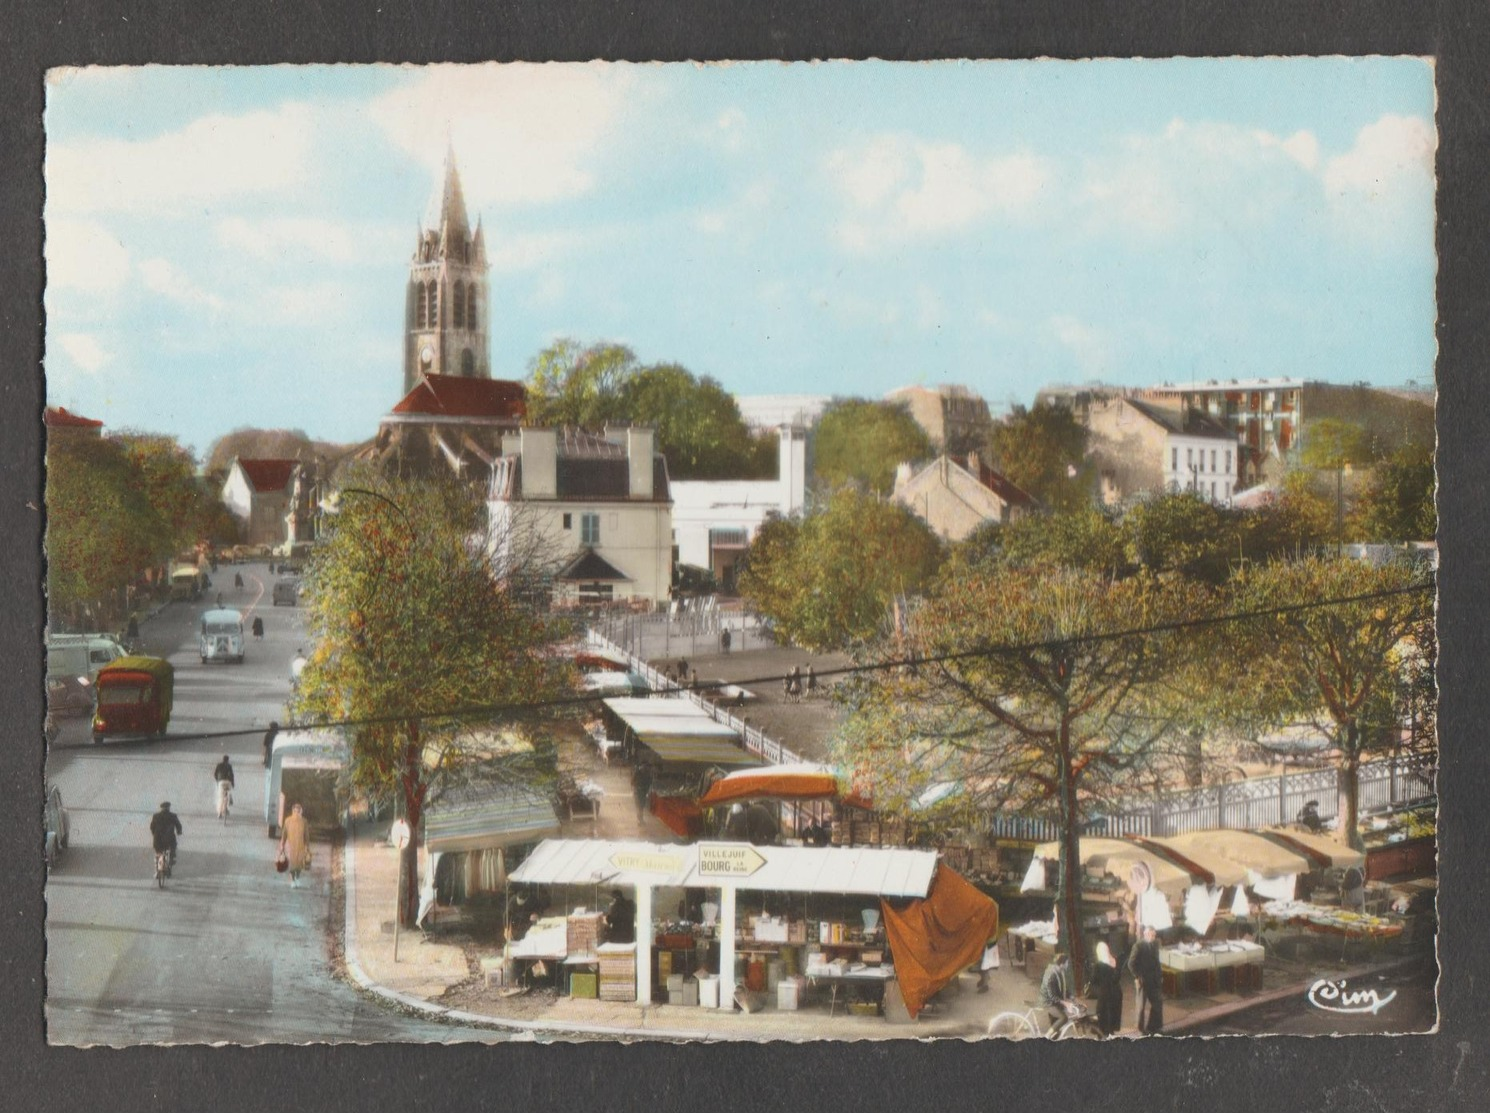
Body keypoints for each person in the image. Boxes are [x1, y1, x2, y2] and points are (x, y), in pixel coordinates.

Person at [1128, 925, 1164, 1034]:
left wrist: (1160, 975)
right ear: (1145, 934)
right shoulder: (1138, 946)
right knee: (1141, 1007)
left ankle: (1154, 1026)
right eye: (1151, 935)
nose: (1152, 937)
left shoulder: (1155, 945)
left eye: (1154, 935)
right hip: (1143, 980)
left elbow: (1157, 962)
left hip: (1154, 979)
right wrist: (1137, 976)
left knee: (1157, 1003)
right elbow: (1131, 964)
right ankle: (1140, 1029)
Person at [1089, 940, 1124, 1037]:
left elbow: (1094, 980)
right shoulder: (1106, 963)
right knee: (1107, 1015)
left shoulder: (1102, 964)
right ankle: (1107, 1034)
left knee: (1109, 1015)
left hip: (1110, 993)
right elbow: (1116, 978)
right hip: (1109, 993)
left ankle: (1107, 1034)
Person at [1038, 952, 1074, 1035]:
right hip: (1048, 1003)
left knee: (1056, 1033)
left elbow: (1063, 988)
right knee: (1064, 1018)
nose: (1068, 965)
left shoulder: (1059, 972)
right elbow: (1052, 996)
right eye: (1067, 963)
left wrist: (1072, 997)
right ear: (1062, 964)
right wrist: (1065, 1003)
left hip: (1055, 1003)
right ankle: (1046, 1037)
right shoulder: (1051, 974)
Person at [278, 802, 312, 888]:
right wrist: (282, 845)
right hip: (291, 846)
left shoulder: (304, 821)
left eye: (298, 811)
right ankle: (293, 880)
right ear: (293, 811)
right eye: (295, 811)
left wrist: (307, 846)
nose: (297, 813)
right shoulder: (288, 821)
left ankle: (297, 878)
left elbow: (306, 835)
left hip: (300, 846)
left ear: (301, 811)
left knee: (299, 864)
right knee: (292, 864)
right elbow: (284, 834)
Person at [149, 801, 182, 876]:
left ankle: (157, 871)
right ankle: (171, 859)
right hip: (169, 839)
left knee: (158, 854)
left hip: (158, 840)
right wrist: (179, 832)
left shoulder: (156, 816)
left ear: (161, 808)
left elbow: (152, 827)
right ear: (169, 808)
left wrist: (154, 833)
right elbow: (178, 825)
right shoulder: (173, 816)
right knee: (172, 848)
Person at [213, 754, 235, 821]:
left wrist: (217, 781)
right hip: (228, 782)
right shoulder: (229, 766)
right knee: (228, 793)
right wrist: (233, 783)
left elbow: (215, 774)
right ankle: (227, 805)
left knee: (221, 797)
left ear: (223, 759)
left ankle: (219, 813)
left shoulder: (219, 765)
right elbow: (232, 775)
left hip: (221, 782)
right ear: (228, 760)